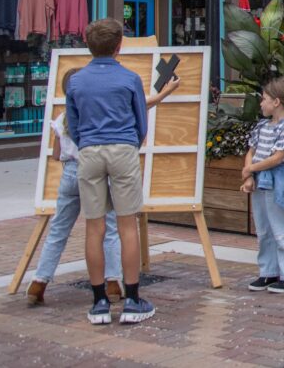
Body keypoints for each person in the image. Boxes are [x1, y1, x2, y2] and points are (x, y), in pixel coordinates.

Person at [26, 70, 182, 306]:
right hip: (94, 169)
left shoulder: (61, 119)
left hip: (70, 174)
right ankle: (113, 281)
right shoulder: (101, 110)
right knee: (110, 228)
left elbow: (57, 155)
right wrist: (165, 93)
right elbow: (140, 107)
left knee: (58, 230)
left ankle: (40, 279)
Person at [65, 18, 154, 324]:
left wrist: (88, 142)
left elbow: (72, 125)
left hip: (89, 150)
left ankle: (99, 301)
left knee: (94, 226)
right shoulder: (129, 79)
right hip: (123, 148)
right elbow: (141, 123)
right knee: (127, 225)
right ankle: (132, 299)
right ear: (119, 45)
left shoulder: (76, 81)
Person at [241, 78, 284, 293]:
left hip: (278, 180)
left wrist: (252, 169)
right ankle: (269, 271)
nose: (261, 103)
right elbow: (251, 150)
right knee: (264, 228)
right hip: (260, 179)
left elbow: (278, 157)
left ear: (277, 102)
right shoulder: (262, 126)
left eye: (264, 99)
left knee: (282, 227)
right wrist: (249, 176)